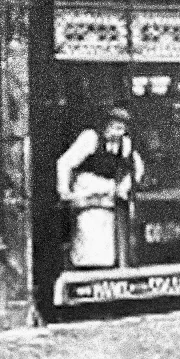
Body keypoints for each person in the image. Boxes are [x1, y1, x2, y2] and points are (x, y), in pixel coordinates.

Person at [57, 107, 144, 269]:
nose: (118, 133)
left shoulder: (124, 144)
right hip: (87, 200)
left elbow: (136, 168)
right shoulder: (90, 138)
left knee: (106, 248)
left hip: (108, 202)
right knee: (87, 243)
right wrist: (64, 190)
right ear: (106, 125)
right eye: (115, 128)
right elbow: (64, 163)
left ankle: (104, 273)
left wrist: (126, 186)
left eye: (122, 129)